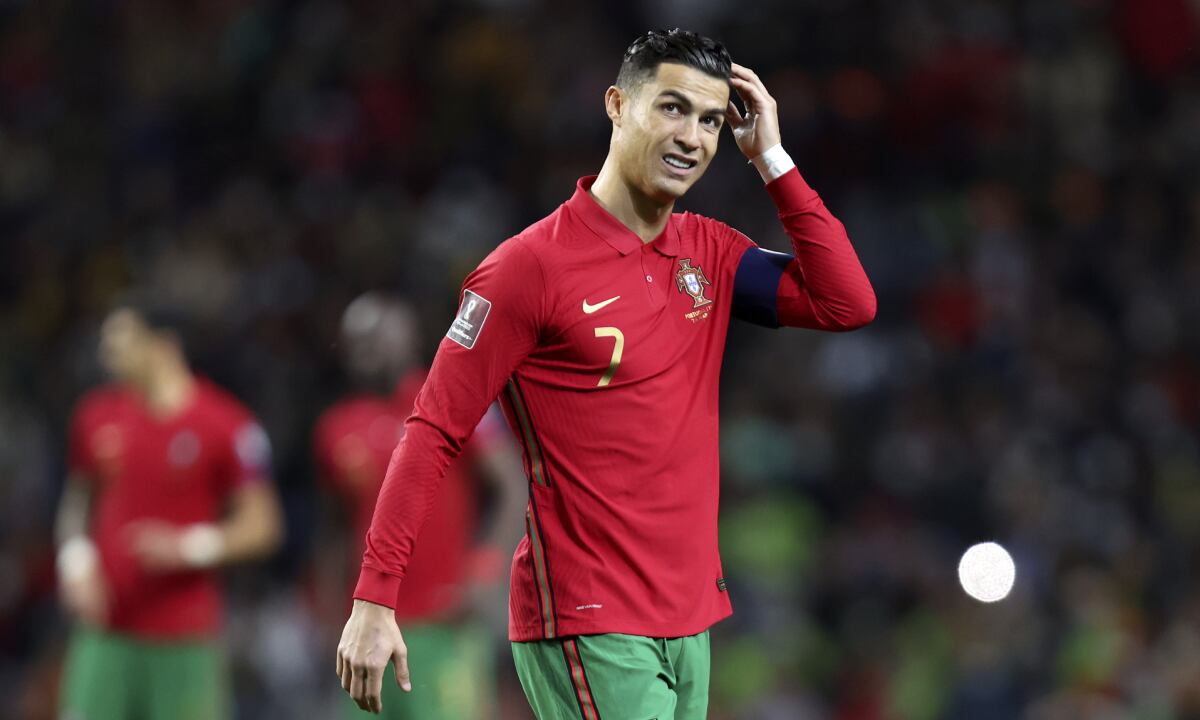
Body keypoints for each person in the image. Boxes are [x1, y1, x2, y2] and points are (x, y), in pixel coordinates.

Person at [336, 28, 876, 718]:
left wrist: (770, 156)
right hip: (589, 615)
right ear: (618, 105)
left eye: (712, 120)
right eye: (672, 108)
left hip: (687, 614)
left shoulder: (708, 253)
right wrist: (375, 599)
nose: (693, 136)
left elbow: (847, 302)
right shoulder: (527, 269)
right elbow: (433, 427)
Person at [56, 300, 284, 720]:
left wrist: (188, 547)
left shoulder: (225, 425)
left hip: (184, 642)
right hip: (104, 634)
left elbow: (263, 525)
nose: (107, 350)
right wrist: (75, 563)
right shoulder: (95, 416)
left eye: (120, 338)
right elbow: (77, 501)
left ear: (162, 345)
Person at [313, 292, 526, 719]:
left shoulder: (447, 401)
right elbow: (334, 528)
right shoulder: (337, 428)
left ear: (407, 339)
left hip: (445, 623)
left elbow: (512, 485)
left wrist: (485, 569)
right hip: (368, 628)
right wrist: (327, 613)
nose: (366, 349)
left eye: (377, 337)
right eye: (356, 340)